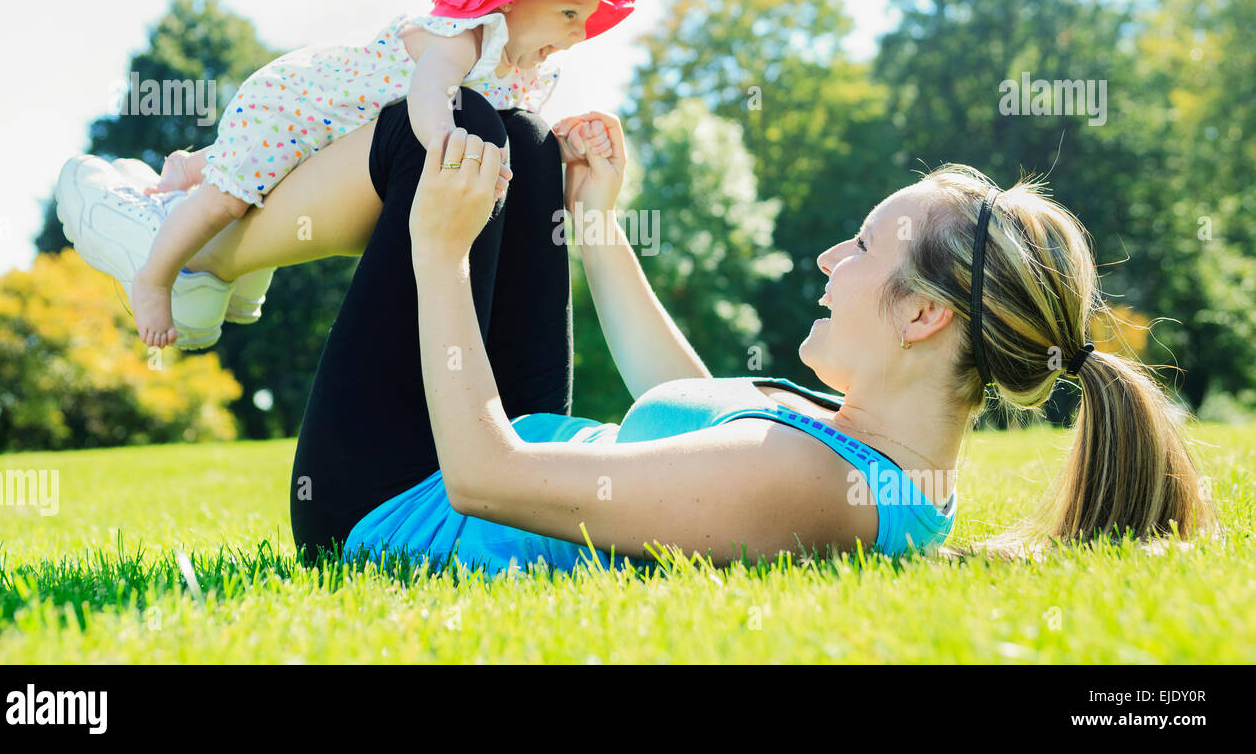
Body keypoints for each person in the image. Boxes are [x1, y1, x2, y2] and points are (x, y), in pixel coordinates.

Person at [317, 110, 1222, 576]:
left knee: (446, 131)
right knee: (516, 145)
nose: (831, 258)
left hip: (398, 502)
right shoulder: (864, 451)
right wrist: (596, 224)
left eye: (863, 247)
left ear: (922, 317)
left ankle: (192, 248)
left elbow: (488, 481)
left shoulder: (820, 482)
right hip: (490, 441)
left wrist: (438, 254)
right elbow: (689, 407)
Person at [54, 0, 632, 348]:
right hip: (296, 105)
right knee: (227, 201)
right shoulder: (462, 37)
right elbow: (431, 95)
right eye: (568, 12)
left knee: (263, 183)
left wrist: (564, 145)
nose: (580, 32)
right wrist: (444, 140)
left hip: (332, 136)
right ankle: (155, 277)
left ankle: (188, 167)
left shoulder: (519, 71)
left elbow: (520, 137)